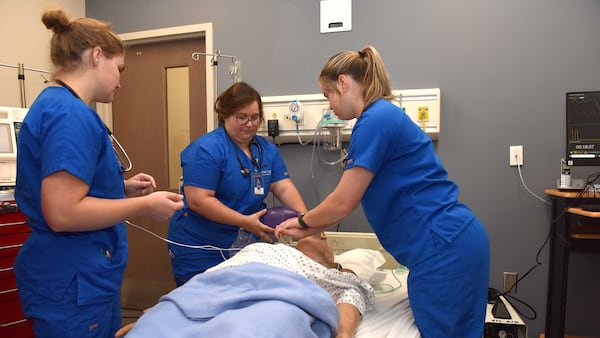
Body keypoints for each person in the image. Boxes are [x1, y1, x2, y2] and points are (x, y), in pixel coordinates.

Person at [275, 45, 490, 338]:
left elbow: (342, 203)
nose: (329, 107)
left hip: (444, 251)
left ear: (343, 83)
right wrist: (308, 228)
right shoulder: (383, 116)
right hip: (454, 243)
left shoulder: (374, 120)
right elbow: (344, 202)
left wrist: (302, 223)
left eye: (328, 96)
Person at [13, 9, 184, 338]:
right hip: (72, 281)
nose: (121, 80)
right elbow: (63, 212)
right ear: (96, 55)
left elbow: (71, 190)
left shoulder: (61, 106)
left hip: (81, 278)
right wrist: (144, 207)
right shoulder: (69, 115)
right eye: (119, 68)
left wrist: (120, 188)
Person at [168, 81, 307, 286]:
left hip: (246, 241)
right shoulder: (207, 149)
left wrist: (307, 222)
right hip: (201, 244)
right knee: (203, 304)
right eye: (241, 117)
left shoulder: (266, 150)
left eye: (254, 118)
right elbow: (199, 200)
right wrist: (244, 221)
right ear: (225, 114)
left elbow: (283, 186)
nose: (250, 124)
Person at [116, 233, 374, 338]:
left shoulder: (335, 277)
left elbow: (350, 301)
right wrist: (163, 306)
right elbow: (210, 277)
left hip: (280, 299)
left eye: (319, 233)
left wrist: (342, 335)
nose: (318, 233)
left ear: (330, 254)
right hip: (215, 289)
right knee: (157, 327)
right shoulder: (260, 247)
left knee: (254, 328)